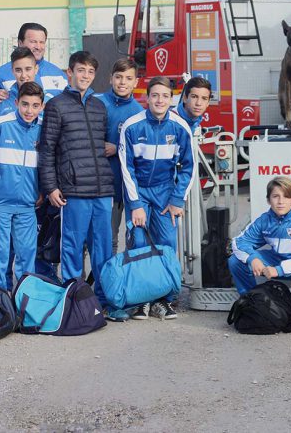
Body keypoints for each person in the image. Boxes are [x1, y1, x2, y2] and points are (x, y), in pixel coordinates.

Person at [38, 51, 119, 319]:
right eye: (80, 70)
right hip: (73, 190)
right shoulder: (56, 105)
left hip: (102, 189)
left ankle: (105, 300)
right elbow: (47, 149)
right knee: (72, 246)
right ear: (69, 72)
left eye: (90, 72)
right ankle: (75, 299)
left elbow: (102, 146)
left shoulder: (99, 107)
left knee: (103, 248)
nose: (85, 76)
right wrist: (50, 187)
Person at [119, 76, 194, 321]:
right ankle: (141, 301)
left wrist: (177, 199)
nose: (159, 100)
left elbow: (188, 168)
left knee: (166, 245)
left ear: (171, 98)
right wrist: (135, 204)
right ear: (147, 97)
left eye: (165, 96)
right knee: (139, 244)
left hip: (165, 193)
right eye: (155, 95)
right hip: (139, 190)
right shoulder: (132, 126)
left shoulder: (180, 127)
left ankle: (165, 300)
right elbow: (126, 168)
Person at [0, 81, 44, 290]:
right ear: (16, 103)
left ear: (41, 106)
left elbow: (47, 164)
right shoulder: (0, 125)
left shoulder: (42, 129)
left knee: (26, 255)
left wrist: (43, 191)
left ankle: (23, 304)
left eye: (34, 105)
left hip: (27, 206)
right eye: (25, 104)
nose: (29, 110)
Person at [229, 176, 291, 323]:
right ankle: (250, 300)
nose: (281, 201)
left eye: (286, 197)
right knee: (236, 261)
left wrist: (279, 270)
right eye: (276, 196)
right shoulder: (264, 220)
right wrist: (252, 258)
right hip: (277, 259)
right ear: (268, 200)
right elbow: (239, 242)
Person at [95, 59, 144, 255]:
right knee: (97, 238)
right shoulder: (97, 103)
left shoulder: (138, 113)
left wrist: (118, 148)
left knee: (121, 237)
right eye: (118, 77)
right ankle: (84, 284)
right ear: (110, 79)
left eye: (128, 78)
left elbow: (142, 151)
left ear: (136, 83)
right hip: (97, 185)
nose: (123, 82)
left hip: (122, 187)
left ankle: (114, 281)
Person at [0, 23, 67, 123]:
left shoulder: (59, 75)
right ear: (20, 43)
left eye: (42, 42)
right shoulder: (1, 75)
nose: (38, 46)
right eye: (33, 42)